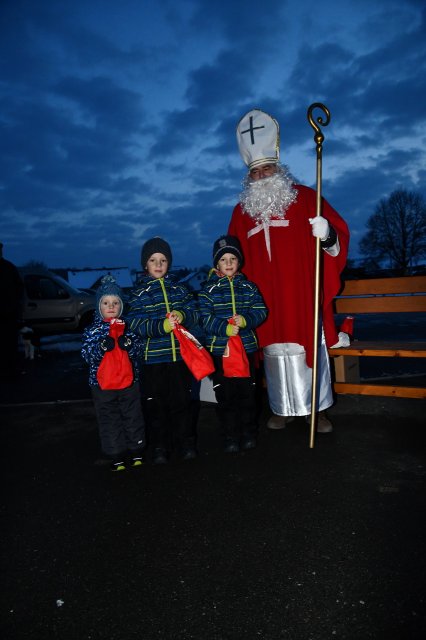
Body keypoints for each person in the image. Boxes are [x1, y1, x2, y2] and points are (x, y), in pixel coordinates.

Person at [228, 108, 350, 433]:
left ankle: (318, 410)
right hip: (264, 297)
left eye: (267, 169)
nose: (262, 176)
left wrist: (329, 235)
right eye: (255, 173)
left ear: (278, 168)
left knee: (308, 345)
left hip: (301, 291)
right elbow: (231, 256)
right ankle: (281, 408)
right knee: (273, 351)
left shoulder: (307, 198)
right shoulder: (241, 212)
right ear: (248, 178)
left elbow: (338, 238)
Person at [127, 237, 199, 464]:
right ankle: (159, 446)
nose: (158, 264)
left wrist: (183, 315)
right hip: (153, 361)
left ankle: (184, 443)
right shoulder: (139, 295)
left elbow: (194, 312)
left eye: (163, 260)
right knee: (155, 405)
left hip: (179, 358)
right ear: (145, 264)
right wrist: (161, 326)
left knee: (182, 403)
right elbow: (135, 324)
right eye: (152, 260)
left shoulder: (179, 290)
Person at [198, 235, 268, 452]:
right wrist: (224, 328)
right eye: (223, 259)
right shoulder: (207, 291)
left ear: (239, 262)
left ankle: (248, 433)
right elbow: (204, 318)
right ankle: (230, 435)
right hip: (220, 352)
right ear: (216, 263)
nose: (228, 263)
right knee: (225, 396)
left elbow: (261, 311)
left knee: (248, 395)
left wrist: (246, 320)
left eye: (232, 259)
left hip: (246, 350)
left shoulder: (249, 288)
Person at [81, 275, 145, 471]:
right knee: (110, 418)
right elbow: (86, 354)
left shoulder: (127, 329)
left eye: (115, 302)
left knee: (132, 415)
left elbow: (138, 351)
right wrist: (100, 348)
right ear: (99, 306)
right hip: (102, 385)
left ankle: (136, 449)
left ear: (121, 306)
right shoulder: (93, 331)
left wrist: (129, 346)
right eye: (106, 302)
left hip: (128, 382)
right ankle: (115, 453)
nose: (111, 306)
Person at [0, 242, 24, 378]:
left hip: (8, 314)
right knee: (8, 344)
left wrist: (15, 305)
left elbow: (20, 289)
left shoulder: (9, 268)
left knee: (9, 344)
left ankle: (10, 370)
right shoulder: (9, 268)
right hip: (9, 313)